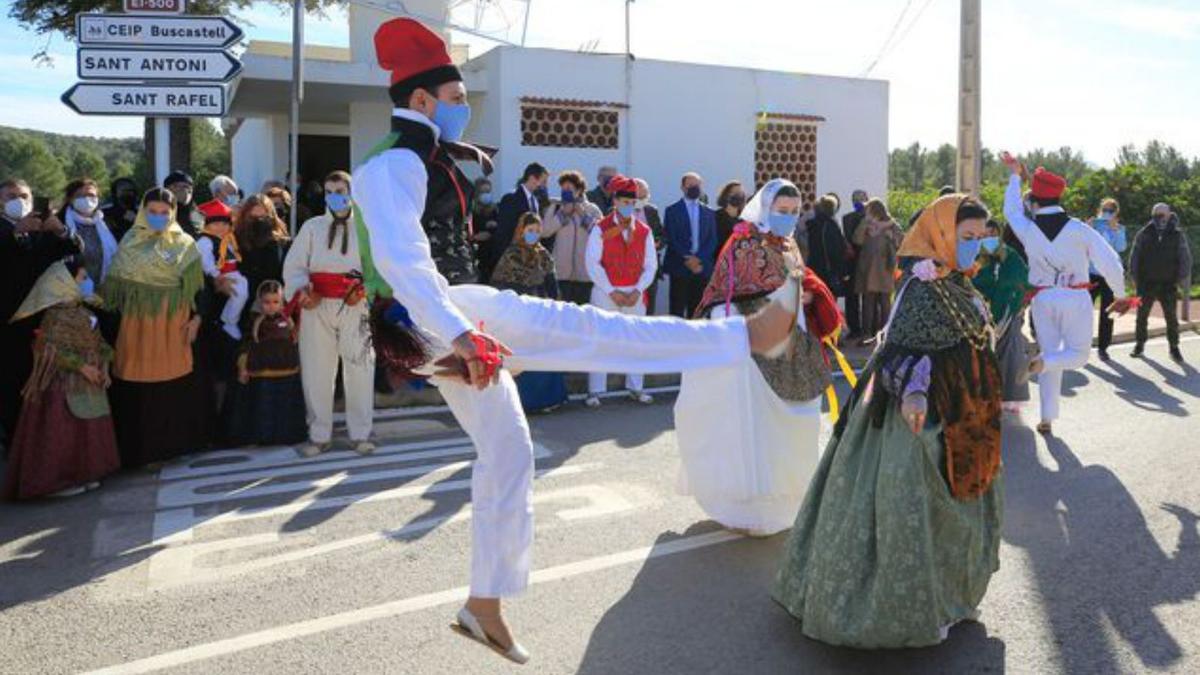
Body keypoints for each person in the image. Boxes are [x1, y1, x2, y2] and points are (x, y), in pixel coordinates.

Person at [353, 18, 802, 664]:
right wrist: (460, 333)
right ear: (421, 101)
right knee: (593, 331)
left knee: (508, 449)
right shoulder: (396, 160)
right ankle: (744, 336)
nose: (463, 110)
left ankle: (484, 604)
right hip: (442, 309)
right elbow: (402, 260)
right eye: (456, 99)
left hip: (436, 317)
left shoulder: (413, 155)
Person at [774, 193, 1005, 648]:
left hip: (967, 414)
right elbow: (902, 348)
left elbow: (978, 338)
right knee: (913, 510)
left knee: (959, 510)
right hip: (919, 416)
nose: (974, 246)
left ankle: (950, 598)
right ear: (940, 233)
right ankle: (904, 609)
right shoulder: (922, 285)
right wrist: (915, 393)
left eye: (980, 238)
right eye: (966, 237)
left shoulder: (962, 284)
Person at [676, 178, 840, 536]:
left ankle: (789, 500)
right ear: (766, 208)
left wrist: (804, 296)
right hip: (752, 350)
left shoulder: (789, 243)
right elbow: (724, 296)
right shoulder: (742, 242)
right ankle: (748, 510)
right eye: (783, 211)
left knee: (795, 424)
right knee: (756, 429)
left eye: (795, 212)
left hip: (794, 345)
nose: (790, 218)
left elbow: (793, 282)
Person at [1000, 152, 1134, 435]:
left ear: (1035, 203)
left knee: (1049, 355)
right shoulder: (1080, 230)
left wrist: (1014, 175)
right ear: (1058, 200)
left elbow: (1011, 210)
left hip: (1043, 299)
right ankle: (1043, 365)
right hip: (1075, 297)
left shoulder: (1028, 229)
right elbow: (1110, 262)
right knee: (1078, 356)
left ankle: (1047, 416)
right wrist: (1121, 294)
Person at [103, 187, 208, 468]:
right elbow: (114, 293)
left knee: (172, 387)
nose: (159, 217)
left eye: (165, 212)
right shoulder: (129, 241)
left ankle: (171, 450)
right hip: (136, 325)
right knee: (138, 389)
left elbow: (199, 290)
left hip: (174, 324)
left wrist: (197, 320)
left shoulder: (185, 243)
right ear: (142, 211)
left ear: (173, 213)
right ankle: (139, 454)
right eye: (153, 211)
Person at [3, 259, 119, 499]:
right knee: (63, 429)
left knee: (86, 429)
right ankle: (58, 481)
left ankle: (84, 473)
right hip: (62, 384)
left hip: (90, 380)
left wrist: (105, 367)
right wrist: (82, 367)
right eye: (82, 278)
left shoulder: (86, 313)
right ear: (65, 283)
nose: (88, 283)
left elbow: (102, 344)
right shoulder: (55, 317)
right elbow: (48, 348)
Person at [283, 170, 376, 458]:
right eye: (330, 191)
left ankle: (360, 433)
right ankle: (319, 434)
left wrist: (366, 291)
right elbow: (294, 266)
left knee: (360, 368)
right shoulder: (312, 227)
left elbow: (379, 268)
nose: (335, 197)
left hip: (355, 305)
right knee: (316, 369)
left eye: (340, 190)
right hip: (317, 304)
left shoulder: (366, 227)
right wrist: (302, 294)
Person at [0, 178, 78, 436]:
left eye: (24, 196)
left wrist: (61, 230)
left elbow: (77, 250)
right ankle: (15, 442)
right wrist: (14, 233)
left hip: (45, 318)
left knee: (47, 382)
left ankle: (45, 441)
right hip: (9, 322)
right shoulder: (5, 229)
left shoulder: (43, 228)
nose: (18, 201)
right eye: (11, 196)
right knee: (14, 383)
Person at [584, 175, 659, 407]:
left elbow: (651, 265)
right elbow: (592, 262)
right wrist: (610, 290)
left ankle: (636, 387)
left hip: (635, 293)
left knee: (636, 340)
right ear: (615, 201)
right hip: (606, 292)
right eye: (623, 201)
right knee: (601, 339)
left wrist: (638, 290)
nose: (628, 205)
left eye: (631, 202)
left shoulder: (644, 231)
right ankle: (595, 391)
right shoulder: (601, 228)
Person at [490, 212, 568, 412]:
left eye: (536, 230)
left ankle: (549, 400)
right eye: (529, 230)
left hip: (541, 313)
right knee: (522, 359)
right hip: (519, 314)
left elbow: (552, 287)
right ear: (521, 230)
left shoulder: (544, 255)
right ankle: (522, 403)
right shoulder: (511, 255)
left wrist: (555, 308)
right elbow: (501, 285)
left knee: (544, 357)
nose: (533, 234)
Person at [222, 280, 308, 446]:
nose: (271, 306)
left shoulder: (288, 318)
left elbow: (295, 339)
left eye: (276, 302)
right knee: (264, 408)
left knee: (285, 408)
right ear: (259, 301)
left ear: (282, 301)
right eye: (266, 302)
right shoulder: (254, 319)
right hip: (262, 373)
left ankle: (287, 436)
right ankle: (263, 438)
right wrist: (243, 366)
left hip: (287, 371)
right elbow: (246, 342)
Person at [972, 220, 1034, 412]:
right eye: (984, 234)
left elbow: (1022, 278)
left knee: (1011, 356)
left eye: (992, 234)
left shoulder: (1010, 255)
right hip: (980, 314)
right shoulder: (974, 257)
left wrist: (1012, 297)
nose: (988, 238)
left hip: (1009, 312)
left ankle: (1010, 398)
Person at [1130, 203, 1192, 362]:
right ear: (1152, 215)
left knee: (1171, 318)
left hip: (1168, 283)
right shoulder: (1144, 233)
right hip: (1146, 283)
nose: (1160, 217)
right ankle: (1140, 345)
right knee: (1141, 317)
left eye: (1163, 214)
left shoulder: (1177, 234)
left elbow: (1185, 258)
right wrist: (1135, 278)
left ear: (1170, 215)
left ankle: (1174, 348)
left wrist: (1178, 279)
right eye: (1157, 214)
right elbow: (1134, 257)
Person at [540, 170, 601, 305]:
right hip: (561, 274)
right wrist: (562, 215)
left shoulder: (592, 209)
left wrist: (582, 214)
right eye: (563, 189)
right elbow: (545, 232)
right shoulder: (556, 207)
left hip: (585, 275)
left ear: (579, 190)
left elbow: (599, 233)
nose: (565, 192)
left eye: (569, 189)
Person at [663, 172, 717, 318]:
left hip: (701, 268)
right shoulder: (672, 211)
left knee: (697, 312)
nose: (695, 188)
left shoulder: (710, 212)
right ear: (682, 187)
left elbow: (712, 240)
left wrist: (698, 259)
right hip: (680, 267)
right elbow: (672, 238)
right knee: (677, 312)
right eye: (691, 185)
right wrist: (688, 258)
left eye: (697, 185)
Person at [195, 200, 248, 341]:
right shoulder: (205, 240)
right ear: (207, 225)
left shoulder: (228, 239)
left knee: (243, 292)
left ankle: (228, 318)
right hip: (223, 274)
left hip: (234, 272)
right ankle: (229, 321)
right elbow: (205, 261)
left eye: (224, 224)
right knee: (239, 293)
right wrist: (216, 275)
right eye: (216, 224)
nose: (221, 227)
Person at [852, 198, 904, 341]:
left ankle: (886, 333)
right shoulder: (866, 224)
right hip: (868, 267)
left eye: (869, 209)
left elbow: (902, 241)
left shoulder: (891, 224)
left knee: (885, 301)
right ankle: (867, 333)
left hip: (885, 267)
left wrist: (892, 236)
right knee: (868, 302)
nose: (866, 212)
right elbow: (857, 240)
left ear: (876, 210)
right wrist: (865, 224)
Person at [235, 193, 292, 321]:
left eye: (263, 217)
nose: (258, 222)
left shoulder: (282, 243)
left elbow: (288, 274)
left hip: (275, 307)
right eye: (253, 218)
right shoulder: (235, 239)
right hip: (243, 306)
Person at [1085, 198, 1127, 360]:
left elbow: (1121, 248)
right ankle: (1082, 343)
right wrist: (1087, 228)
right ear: (1099, 210)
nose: (1107, 214)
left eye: (1111, 211)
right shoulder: (1092, 225)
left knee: (1107, 312)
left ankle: (1103, 347)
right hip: (1091, 274)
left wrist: (1115, 230)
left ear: (1116, 213)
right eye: (1105, 210)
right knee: (1084, 310)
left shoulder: (1119, 228)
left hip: (1109, 276)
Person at [492, 162, 549, 279]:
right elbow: (503, 231)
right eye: (543, 182)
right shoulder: (511, 198)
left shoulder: (535, 201)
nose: (544, 186)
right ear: (533, 178)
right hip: (512, 259)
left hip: (529, 259)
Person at [57, 178, 118, 286]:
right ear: (70, 199)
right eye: (80, 196)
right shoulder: (60, 223)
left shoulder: (108, 223)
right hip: (69, 290)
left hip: (104, 289)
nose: (86, 199)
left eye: (91, 195)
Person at [804, 193, 849, 302]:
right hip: (829, 271)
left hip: (814, 268)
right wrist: (842, 271)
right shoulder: (831, 226)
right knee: (829, 303)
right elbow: (836, 251)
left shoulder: (812, 225)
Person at [633, 178, 664, 315]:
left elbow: (662, 235)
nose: (643, 199)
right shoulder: (618, 211)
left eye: (645, 195)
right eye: (640, 196)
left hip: (649, 267)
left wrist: (658, 242)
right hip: (628, 268)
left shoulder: (652, 211)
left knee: (649, 307)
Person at [842, 188, 869, 338]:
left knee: (854, 297)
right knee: (863, 298)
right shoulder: (871, 219)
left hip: (854, 261)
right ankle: (863, 329)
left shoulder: (847, 218)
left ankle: (856, 329)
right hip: (862, 261)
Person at [470, 177, 501, 283]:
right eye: (483, 191)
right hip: (476, 253)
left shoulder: (495, 209)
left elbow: (500, 229)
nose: (486, 194)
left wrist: (495, 226)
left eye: (488, 191)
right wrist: (475, 237)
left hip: (491, 254)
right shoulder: (470, 210)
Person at [164, 170, 203, 236]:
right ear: (167, 189)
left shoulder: (198, 215)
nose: (182, 190)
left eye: (186, 186)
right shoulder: (158, 212)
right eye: (176, 186)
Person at [714, 180, 748, 254]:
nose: (738, 195)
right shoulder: (716, 216)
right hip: (722, 258)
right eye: (735, 193)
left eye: (740, 193)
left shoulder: (744, 218)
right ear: (726, 195)